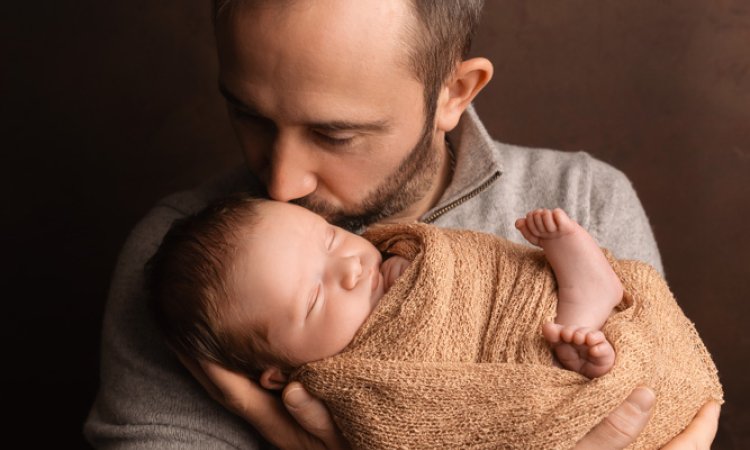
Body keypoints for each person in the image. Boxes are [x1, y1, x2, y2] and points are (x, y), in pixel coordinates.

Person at [84, 0, 721, 448]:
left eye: (334, 134)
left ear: (455, 93)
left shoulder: (582, 197)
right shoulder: (185, 270)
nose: (281, 185)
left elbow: (669, 403)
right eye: (249, 116)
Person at [147, 197, 620, 383]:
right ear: (279, 374)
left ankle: (580, 295)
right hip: (517, 386)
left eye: (331, 238)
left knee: (543, 328)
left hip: (518, 306)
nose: (352, 268)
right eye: (313, 299)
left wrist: (413, 274)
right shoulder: (343, 383)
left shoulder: (590, 190)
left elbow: (454, 278)